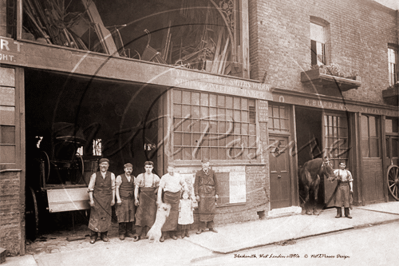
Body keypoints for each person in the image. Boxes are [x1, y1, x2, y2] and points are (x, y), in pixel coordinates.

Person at [87, 158, 116, 244]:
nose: (104, 166)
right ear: (99, 165)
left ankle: (104, 235)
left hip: (107, 200)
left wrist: (113, 199)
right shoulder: (94, 175)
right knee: (95, 217)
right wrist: (91, 200)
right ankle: (93, 236)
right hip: (97, 200)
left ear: (108, 166)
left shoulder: (112, 175)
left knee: (106, 217)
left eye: (105, 164)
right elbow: (90, 189)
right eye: (102, 164)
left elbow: (113, 188)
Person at [158, 164, 187, 242]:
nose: (171, 171)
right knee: (166, 215)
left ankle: (172, 233)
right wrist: (159, 199)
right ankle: (164, 234)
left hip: (176, 197)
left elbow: (184, 184)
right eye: (169, 169)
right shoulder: (164, 177)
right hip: (168, 197)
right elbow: (160, 188)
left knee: (174, 215)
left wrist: (185, 192)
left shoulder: (178, 176)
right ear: (167, 169)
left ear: (175, 169)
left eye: (172, 169)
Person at [133, 161, 160, 241]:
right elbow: (136, 188)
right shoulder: (140, 176)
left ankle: (149, 234)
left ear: (152, 168)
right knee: (140, 215)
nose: (148, 169)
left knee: (151, 214)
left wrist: (156, 194)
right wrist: (136, 198)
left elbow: (160, 188)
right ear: (144, 168)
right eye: (147, 167)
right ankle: (137, 234)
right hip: (142, 197)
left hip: (151, 198)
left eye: (150, 167)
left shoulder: (156, 177)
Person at [194, 158, 218, 234]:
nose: (205, 165)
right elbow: (196, 184)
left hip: (211, 194)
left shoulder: (212, 172)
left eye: (206, 163)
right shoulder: (198, 173)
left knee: (211, 210)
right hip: (202, 194)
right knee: (202, 210)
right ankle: (201, 228)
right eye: (203, 163)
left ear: (208, 164)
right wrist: (196, 194)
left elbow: (216, 183)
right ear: (201, 164)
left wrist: (216, 194)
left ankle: (211, 226)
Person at [115, 163, 135, 240]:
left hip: (131, 200)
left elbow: (136, 188)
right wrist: (118, 199)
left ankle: (129, 232)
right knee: (122, 216)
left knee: (130, 216)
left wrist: (136, 198)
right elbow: (117, 188)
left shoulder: (133, 178)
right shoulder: (120, 177)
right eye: (127, 169)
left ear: (132, 170)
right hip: (122, 199)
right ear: (124, 169)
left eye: (130, 169)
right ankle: (121, 233)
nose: (128, 171)